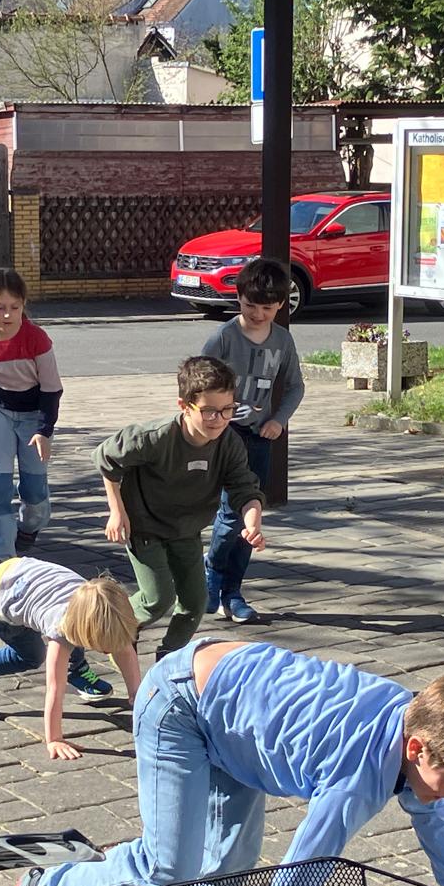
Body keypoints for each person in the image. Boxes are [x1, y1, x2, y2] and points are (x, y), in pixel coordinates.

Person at [0, 639, 444, 886]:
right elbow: (308, 863)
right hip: (182, 704)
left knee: (228, 866)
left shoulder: (418, 723)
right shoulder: (358, 775)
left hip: (235, 723)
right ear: (417, 749)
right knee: (169, 862)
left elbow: (433, 814)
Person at [93, 356, 265, 659]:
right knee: (157, 599)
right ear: (185, 406)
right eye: (209, 411)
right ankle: (111, 630)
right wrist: (117, 511)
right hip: (144, 526)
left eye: (228, 410)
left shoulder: (229, 442)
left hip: (186, 529)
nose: (219, 419)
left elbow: (244, 489)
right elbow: (107, 458)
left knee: (196, 602)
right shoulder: (154, 437)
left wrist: (252, 522)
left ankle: (169, 658)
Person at [0, 562, 143, 761]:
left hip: (19, 571)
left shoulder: (108, 612)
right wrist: (55, 739)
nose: (107, 651)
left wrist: (137, 694)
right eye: (103, 646)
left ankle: (75, 669)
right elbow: (54, 689)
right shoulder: (60, 632)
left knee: (73, 645)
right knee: (31, 656)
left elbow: (124, 650)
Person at [200, 257, 305, 624]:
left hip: (259, 437)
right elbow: (199, 381)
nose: (258, 314)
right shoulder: (225, 337)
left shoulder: (282, 340)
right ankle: (213, 572)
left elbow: (294, 386)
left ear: (281, 305)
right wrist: (210, 421)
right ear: (238, 299)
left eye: (267, 307)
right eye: (250, 306)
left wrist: (278, 420)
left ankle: (232, 591)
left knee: (250, 516)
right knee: (231, 513)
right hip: (223, 437)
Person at [0, 268, 63, 561]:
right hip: (0, 414)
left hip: (34, 416)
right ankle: (1, 555)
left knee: (33, 488)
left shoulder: (37, 339)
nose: (7, 315)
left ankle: (29, 527)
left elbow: (51, 389)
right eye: (0, 308)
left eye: (14, 308)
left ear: (23, 306)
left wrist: (44, 431)